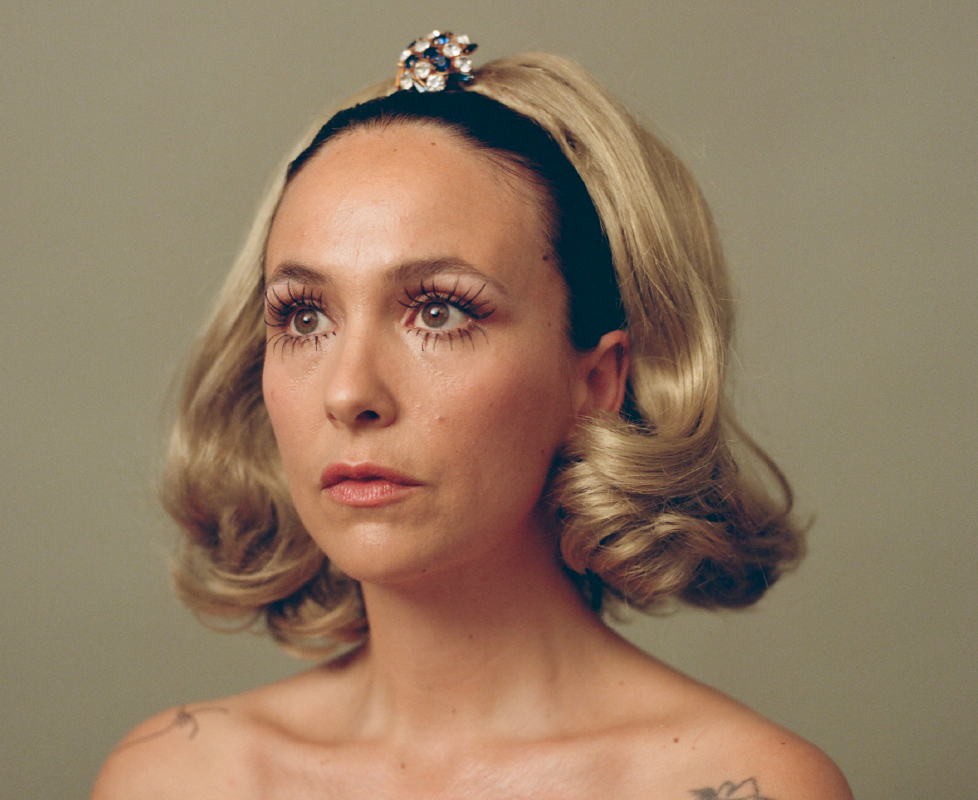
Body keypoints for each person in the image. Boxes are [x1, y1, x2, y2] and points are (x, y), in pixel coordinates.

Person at [92, 32, 853, 800]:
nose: (349, 392)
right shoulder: (174, 778)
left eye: (439, 311)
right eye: (304, 316)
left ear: (595, 381)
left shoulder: (749, 785)